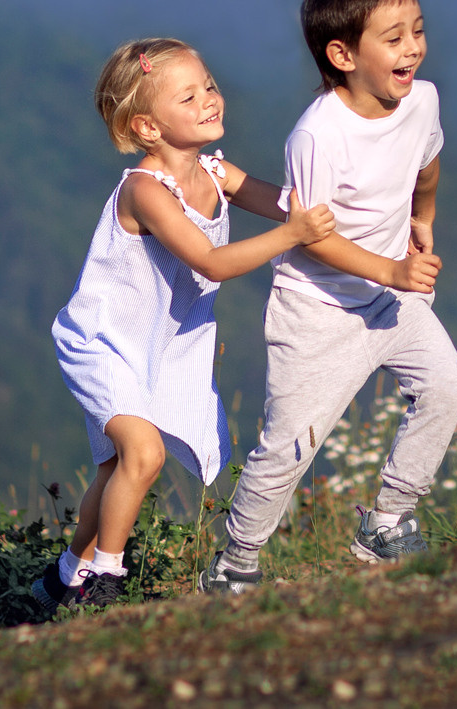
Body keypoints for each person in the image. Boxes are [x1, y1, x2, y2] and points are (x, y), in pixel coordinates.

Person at [35, 38, 335, 611]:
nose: (210, 100)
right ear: (148, 128)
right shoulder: (145, 190)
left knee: (113, 468)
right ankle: (106, 583)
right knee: (142, 456)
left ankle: (65, 575)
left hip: (158, 344)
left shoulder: (216, 173)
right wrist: (296, 234)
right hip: (102, 341)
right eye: (189, 96)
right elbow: (213, 261)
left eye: (211, 86)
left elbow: (289, 202)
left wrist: (353, 196)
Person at [201, 0, 457, 594]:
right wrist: (393, 270)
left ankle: (388, 520)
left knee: (447, 387)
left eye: (418, 31)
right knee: (290, 445)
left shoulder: (421, 99)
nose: (413, 48)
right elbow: (310, 234)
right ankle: (236, 563)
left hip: (388, 297)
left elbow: (426, 160)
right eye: (395, 37)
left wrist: (422, 218)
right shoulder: (318, 135)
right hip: (318, 311)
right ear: (342, 53)